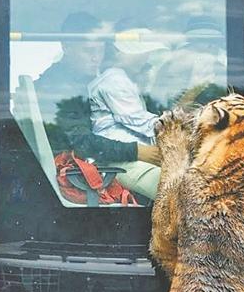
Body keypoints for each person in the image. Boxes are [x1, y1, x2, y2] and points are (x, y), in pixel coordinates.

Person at [34, 12, 161, 198]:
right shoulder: (58, 87)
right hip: (79, 174)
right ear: (66, 46)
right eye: (88, 51)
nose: (96, 58)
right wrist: (138, 151)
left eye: (100, 51)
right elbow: (81, 142)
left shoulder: (89, 81)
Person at [151, 15, 227, 107]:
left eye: (212, 40)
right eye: (200, 40)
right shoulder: (172, 63)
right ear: (191, 40)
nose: (207, 45)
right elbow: (160, 100)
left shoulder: (227, 62)